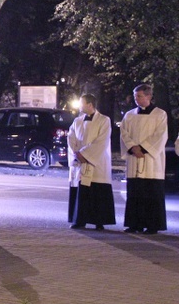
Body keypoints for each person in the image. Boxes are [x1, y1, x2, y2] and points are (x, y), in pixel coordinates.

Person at [120, 83, 168, 234]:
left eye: (139, 96)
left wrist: (144, 149)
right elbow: (124, 133)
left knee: (151, 194)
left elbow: (160, 135)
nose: (136, 99)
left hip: (151, 162)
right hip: (135, 159)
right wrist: (133, 147)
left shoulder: (160, 114)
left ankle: (153, 225)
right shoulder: (129, 115)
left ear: (148, 96)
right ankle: (135, 224)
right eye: (135, 97)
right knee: (135, 193)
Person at [67, 94, 116, 230]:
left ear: (90, 104)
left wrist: (86, 154)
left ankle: (99, 221)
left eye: (81, 103)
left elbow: (102, 141)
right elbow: (71, 138)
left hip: (97, 162)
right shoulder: (77, 121)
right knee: (81, 191)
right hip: (80, 161)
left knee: (97, 191)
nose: (79, 106)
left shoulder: (104, 120)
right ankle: (79, 220)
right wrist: (77, 153)